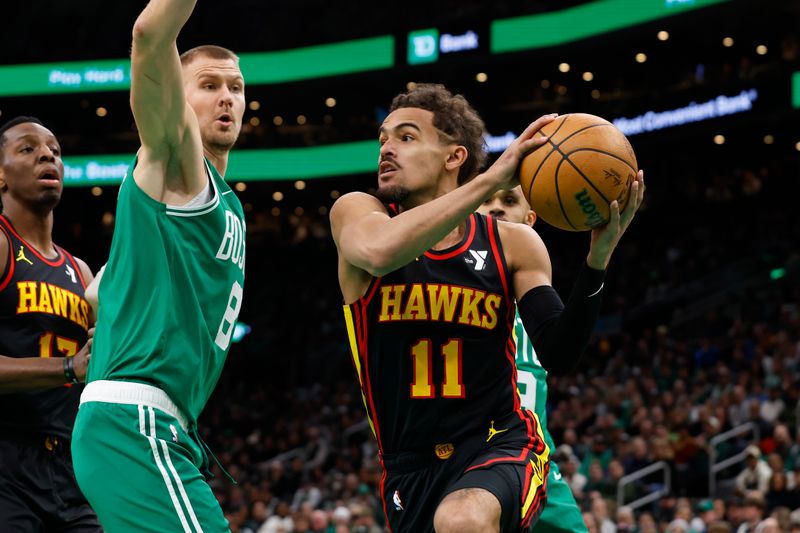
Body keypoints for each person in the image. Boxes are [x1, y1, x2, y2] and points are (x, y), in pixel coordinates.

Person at [330, 83, 644, 533]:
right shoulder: (357, 212)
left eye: (406, 137)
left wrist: (596, 262)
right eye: (384, 138)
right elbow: (380, 252)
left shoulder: (512, 242)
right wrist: (491, 180)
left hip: (500, 442)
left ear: (454, 157)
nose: (387, 149)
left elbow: (559, 352)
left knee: (462, 519)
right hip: (409, 464)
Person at [70, 0, 247, 530]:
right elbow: (149, 31)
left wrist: (110, 302)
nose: (226, 98)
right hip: (136, 420)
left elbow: (97, 294)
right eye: (209, 85)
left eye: (236, 88)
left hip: (150, 424)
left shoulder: (224, 201)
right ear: (176, 95)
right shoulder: (174, 156)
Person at [0, 116, 99, 530]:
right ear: (0, 176)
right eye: (27, 148)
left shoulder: (82, 272)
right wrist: (67, 368)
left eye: (55, 151)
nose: (47, 155)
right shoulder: (3, 246)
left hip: (73, 470)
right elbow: (77, 367)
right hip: (8, 463)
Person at [477, 186, 587, 533]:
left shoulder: (537, 302)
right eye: (487, 201)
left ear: (530, 220)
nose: (496, 209)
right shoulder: (451, 289)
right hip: (469, 457)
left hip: (533, 457)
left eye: (509, 201)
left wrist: (599, 255)